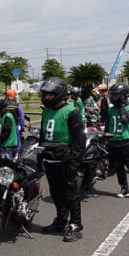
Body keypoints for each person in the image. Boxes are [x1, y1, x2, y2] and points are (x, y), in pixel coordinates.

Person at [39, 77, 86, 242]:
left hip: (65, 161)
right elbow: (42, 136)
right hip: (50, 160)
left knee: (70, 194)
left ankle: (76, 224)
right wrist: (40, 155)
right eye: (45, 94)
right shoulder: (46, 111)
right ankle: (60, 220)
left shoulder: (71, 112)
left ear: (59, 94)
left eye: (50, 95)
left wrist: (74, 161)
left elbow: (80, 140)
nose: (46, 97)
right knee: (56, 193)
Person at [105, 83, 129, 200]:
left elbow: (125, 119)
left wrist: (122, 105)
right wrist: (106, 138)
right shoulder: (111, 110)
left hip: (126, 140)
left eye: (116, 95)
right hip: (114, 141)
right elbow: (108, 126)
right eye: (112, 95)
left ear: (123, 96)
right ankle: (124, 188)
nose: (113, 98)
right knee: (118, 166)